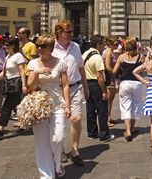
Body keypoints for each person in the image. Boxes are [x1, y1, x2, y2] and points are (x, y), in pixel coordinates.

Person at [27, 34, 71, 179]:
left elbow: (65, 85)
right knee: (41, 141)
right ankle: (46, 174)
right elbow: (30, 87)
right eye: (38, 45)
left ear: (51, 48)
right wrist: (37, 73)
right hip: (39, 106)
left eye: (43, 46)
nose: (39, 48)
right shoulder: (33, 64)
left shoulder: (61, 63)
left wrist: (67, 105)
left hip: (57, 104)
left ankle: (57, 165)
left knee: (58, 138)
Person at [52, 20, 89, 166]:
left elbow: (81, 67)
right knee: (58, 124)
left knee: (76, 119)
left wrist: (85, 86)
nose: (71, 34)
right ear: (59, 33)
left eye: (72, 32)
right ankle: (59, 150)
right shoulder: (51, 48)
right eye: (68, 32)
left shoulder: (75, 46)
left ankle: (75, 150)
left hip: (75, 88)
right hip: (57, 91)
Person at [0, 38, 27, 139]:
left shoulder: (18, 56)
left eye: (7, 45)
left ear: (13, 46)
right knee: (17, 106)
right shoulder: (8, 57)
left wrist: (24, 85)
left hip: (15, 83)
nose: (4, 46)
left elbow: (22, 71)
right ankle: (25, 123)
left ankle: (0, 129)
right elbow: (4, 72)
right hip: (8, 83)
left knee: (7, 106)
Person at [83, 34, 115, 142]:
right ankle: (104, 135)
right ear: (98, 44)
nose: (104, 45)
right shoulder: (97, 57)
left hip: (87, 84)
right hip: (97, 85)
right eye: (103, 43)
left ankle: (92, 133)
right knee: (102, 111)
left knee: (90, 110)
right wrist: (104, 91)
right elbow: (100, 76)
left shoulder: (85, 54)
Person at [112, 37, 144, 141]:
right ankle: (132, 127)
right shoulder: (140, 56)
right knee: (135, 105)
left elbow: (114, 71)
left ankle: (128, 130)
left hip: (125, 83)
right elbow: (143, 69)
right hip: (137, 83)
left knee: (126, 106)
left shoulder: (121, 57)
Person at [103, 36, 121, 127]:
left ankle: (109, 117)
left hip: (112, 77)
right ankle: (106, 119)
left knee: (111, 99)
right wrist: (113, 73)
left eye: (117, 44)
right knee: (109, 99)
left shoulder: (112, 52)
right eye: (115, 44)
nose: (117, 46)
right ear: (110, 44)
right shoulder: (108, 53)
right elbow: (107, 66)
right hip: (110, 78)